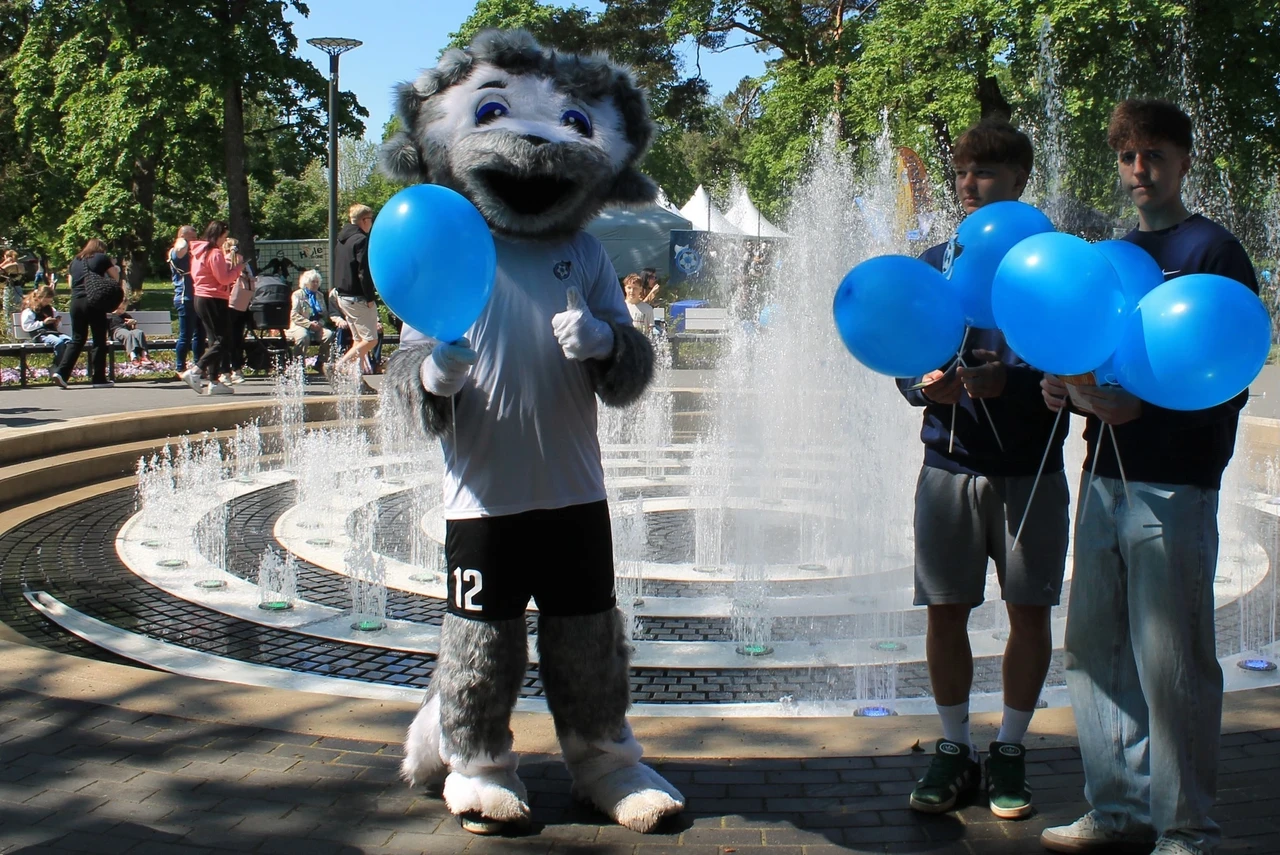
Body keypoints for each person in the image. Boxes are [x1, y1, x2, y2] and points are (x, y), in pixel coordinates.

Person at [1038, 100, 1257, 855]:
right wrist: (1063, 384)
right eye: (1129, 156)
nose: (1140, 169)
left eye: (1156, 154)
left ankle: (1187, 826)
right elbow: (1093, 351)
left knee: (1174, 663)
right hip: (1104, 474)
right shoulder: (1112, 256)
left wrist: (1147, 411)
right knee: (1093, 650)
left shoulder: (1212, 250)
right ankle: (1118, 806)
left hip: (1176, 486)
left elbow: (1230, 377)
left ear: (1185, 161)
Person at [899, 120, 1070, 822]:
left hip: (1031, 470)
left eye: (986, 173)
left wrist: (1014, 384)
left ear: (1019, 180)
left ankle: (1010, 746)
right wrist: (924, 386)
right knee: (946, 610)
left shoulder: (1051, 263)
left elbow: (1076, 358)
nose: (970, 185)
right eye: (964, 172)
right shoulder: (938, 260)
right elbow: (906, 353)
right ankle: (954, 745)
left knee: (1029, 611)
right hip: (949, 465)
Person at [182, 221, 245, 396]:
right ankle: (195, 371)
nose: (225, 241)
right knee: (225, 340)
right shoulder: (215, 253)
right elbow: (224, 279)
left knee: (214, 339)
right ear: (218, 235)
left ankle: (214, 381)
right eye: (224, 237)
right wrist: (238, 268)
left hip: (201, 297)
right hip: (214, 298)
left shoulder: (199, 252)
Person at [50, 239, 119, 388]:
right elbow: (115, 277)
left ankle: (62, 373)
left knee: (77, 339)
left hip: (76, 302)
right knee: (99, 340)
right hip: (94, 300)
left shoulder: (75, 261)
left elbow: (71, 284)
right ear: (101, 249)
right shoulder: (102, 257)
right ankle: (99, 378)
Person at [332, 204, 379, 375]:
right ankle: (338, 366)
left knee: (358, 341)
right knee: (370, 340)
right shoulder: (361, 240)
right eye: (371, 220)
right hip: (357, 297)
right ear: (364, 220)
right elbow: (363, 272)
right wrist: (370, 297)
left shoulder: (341, 240)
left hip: (343, 296)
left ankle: (356, 380)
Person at [169, 225, 206, 374]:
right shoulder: (177, 252)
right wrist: (183, 240)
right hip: (185, 298)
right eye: (192, 238)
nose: (195, 241)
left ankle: (198, 367)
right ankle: (180, 367)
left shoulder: (192, 253)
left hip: (198, 297)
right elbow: (180, 248)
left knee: (200, 335)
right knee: (186, 335)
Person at [287, 269, 334, 371]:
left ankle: (321, 363)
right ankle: (298, 366)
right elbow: (294, 315)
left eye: (317, 282)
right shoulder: (297, 294)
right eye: (313, 282)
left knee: (329, 335)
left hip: (317, 326)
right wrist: (309, 324)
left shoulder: (320, 295)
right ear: (306, 282)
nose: (316, 284)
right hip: (300, 325)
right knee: (303, 336)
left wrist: (320, 323)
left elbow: (325, 315)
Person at [19, 285, 71, 370]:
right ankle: (57, 367)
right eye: (45, 300)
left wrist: (57, 323)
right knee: (59, 343)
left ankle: (61, 365)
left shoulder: (51, 309)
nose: (47, 303)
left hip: (53, 333)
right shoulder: (30, 310)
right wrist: (43, 323)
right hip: (40, 334)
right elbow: (26, 326)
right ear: (39, 298)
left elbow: (59, 325)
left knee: (69, 342)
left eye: (49, 301)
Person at [107, 295, 152, 365]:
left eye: (123, 309)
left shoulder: (126, 315)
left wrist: (133, 322)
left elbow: (133, 328)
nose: (121, 311)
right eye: (118, 308)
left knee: (139, 332)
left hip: (128, 332)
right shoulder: (109, 316)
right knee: (128, 334)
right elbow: (106, 328)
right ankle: (133, 357)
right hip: (117, 332)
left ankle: (144, 355)